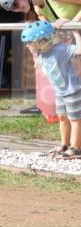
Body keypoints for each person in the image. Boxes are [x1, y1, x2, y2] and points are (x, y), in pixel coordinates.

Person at [21, 20, 81, 159]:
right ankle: (65, 144)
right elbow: (36, 64)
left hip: (73, 90)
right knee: (62, 117)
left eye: (31, 42)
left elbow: (78, 51)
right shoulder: (41, 54)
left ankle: (77, 148)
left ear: (43, 41)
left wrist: (75, 33)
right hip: (60, 92)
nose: (28, 45)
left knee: (76, 119)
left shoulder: (61, 49)